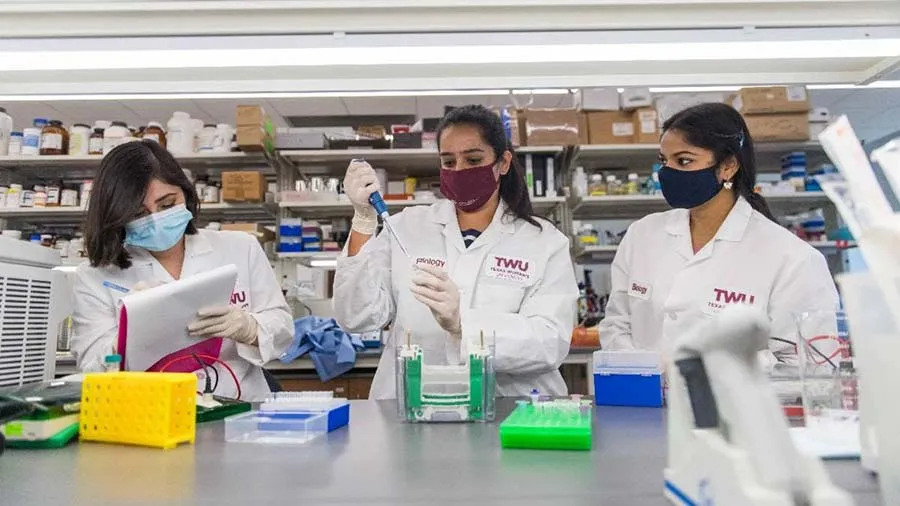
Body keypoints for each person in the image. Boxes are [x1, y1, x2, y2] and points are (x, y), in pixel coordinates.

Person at [333, 105, 579, 399]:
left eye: (473, 159)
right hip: (412, 406)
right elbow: (357, 317)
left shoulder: (544, 242)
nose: (460, 170)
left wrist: (464, 324)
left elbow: (550, 342)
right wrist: (362, 221)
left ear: (502, 163)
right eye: (448, 162)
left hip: (506, 410)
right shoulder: (407, 227)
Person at [599, 103, 839, 365]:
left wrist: (713, 371)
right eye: (663, 161)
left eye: (684, 161)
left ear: (728, 167)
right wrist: (648, 373)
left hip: (738, 404)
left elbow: (814, 366)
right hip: (646, 401)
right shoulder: (642, 235)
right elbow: (616, 326)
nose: (666, 173)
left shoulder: (792, 258)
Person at [70, 140, 293, 401]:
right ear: (117, 217)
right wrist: (133, 334)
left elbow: (283, 331)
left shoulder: (239, 247)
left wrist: (249, 327)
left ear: (185, 193)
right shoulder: (96, 276)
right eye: (138, 213)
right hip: (151, 415)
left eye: (167, 205)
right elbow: (92, 368)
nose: (155, 219)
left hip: (242, 408)